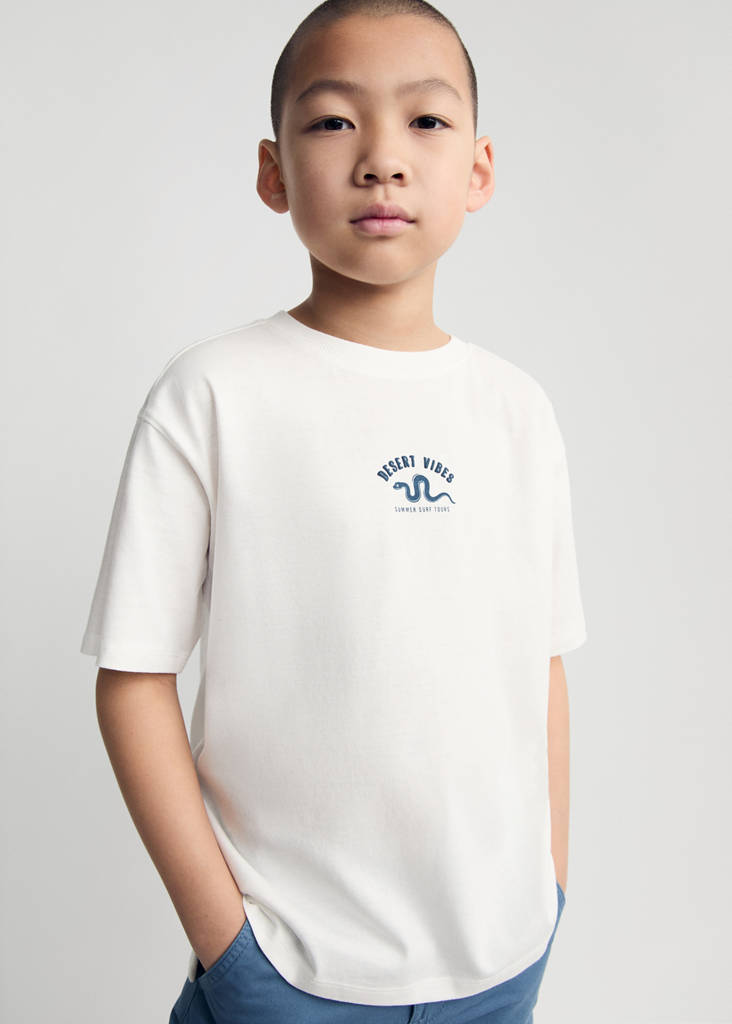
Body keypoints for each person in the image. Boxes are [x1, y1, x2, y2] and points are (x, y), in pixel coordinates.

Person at [80, 1, 588, 1021]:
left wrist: (546, 899)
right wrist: (232, 950)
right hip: (283, 975)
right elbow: (133, 677)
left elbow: (540, 665)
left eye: (426, 121)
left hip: (499, 965)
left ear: (480, 168)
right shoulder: (214, 395)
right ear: (273, 172)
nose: (382, 160)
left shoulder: (517, 411)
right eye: (333, 121)